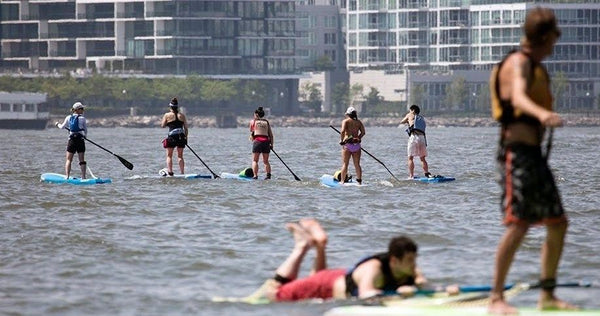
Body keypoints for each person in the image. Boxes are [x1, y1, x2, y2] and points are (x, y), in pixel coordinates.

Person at [488, 7, 576, 315]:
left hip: (536, 156)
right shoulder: (517, 63)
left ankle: (547, 296)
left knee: (558, 223)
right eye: (553, 38)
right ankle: (496, 298)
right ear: (544, 36)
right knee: (519, 224)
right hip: (517, 154)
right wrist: (543, 115)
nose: (555, 45)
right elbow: (519, 97)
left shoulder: (535, 64)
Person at [243, 218, 457, 303]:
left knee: (311, 278)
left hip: (336, 280)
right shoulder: (374, 268)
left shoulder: (410, 270)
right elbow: (366, 294)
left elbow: (425, 285)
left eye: (414, 259)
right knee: (275, 294)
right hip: (325, 285)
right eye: (409, 260)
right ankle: (302, 246)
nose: (413, 265)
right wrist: (399, 295)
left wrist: (444, 289)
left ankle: (317, 245)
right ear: (394, 261)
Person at [55, 102, 88, 179]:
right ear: (77, 110)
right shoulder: (82, 119)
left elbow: (62, 127)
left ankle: (67, 177)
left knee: (69, 159)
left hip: (72, 140)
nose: (83, 110)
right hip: (80, 140)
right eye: (82, 109)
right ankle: (83, 177)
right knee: (82, 160)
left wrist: (57, 124)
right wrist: (85, 137)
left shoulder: (68, 117)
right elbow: (85, 130)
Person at [400, 105, 431, 179]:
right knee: (422, 158)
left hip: (414, 137)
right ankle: (427, 173)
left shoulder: (410, 115)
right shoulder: (421, 118)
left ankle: (411, 175)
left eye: (410, 110)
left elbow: (401, 122)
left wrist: (407, 120)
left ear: (413, 110)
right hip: (422, 138)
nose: (409, 112)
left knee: (410, 158)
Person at [160, 97, 188, 176]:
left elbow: (162, 125)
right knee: (180, 156)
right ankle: (182, 173)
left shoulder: (167, 115)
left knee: (169, 155)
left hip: (172, 137)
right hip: (181, 137)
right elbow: (186, 128)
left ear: (170, 107)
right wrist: (186, 139)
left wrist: (167, 122)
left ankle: (170, 171)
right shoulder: (182, 115)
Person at [339, 107, 365, 184]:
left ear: (348, 114)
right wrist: (358, 138)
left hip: (348, 145)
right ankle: (359, 182)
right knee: (357, 164)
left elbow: (342, 131)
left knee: (345, 164)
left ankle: (342, 181)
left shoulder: (346, 121)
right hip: (356, 145)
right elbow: (363, 132)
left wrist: (342, 140)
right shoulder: (359, 122)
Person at [249, 106, 274, 180]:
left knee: (255, 160)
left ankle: (255, 175)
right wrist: (271, 145)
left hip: (257, 142)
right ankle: (268, 175)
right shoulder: (266, 122)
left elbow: (251, 131)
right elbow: (271, 135)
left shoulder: (253, 121)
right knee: (266, 161)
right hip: (266, 142)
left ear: (256, 114)